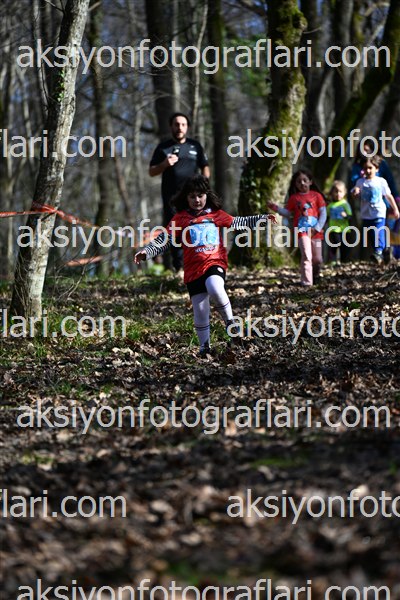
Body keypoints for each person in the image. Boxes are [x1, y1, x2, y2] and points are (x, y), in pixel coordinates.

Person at [134, 175, 277, 356]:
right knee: (200, 310)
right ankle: (205, 348)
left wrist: (261, 219)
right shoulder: (180, 219)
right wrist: (147, 252)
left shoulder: (215, 214)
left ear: (206, 195)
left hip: (214, 262)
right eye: (192, 196)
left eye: (200, 195)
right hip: (193, 270)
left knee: (214, 287)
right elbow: (165, 239)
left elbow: (237, 222)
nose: (197, 200)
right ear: (186, 198)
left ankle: (231, 324)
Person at [149, 112, 210, 271]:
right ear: (171, 127)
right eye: (176, 124)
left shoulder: (195, 146)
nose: (179, 127)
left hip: (193, 196)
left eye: (183, 124)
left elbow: (205, 166)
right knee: (176, 230)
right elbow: (152, 171)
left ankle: (200, 262)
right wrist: (164, 164)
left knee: (196, 227)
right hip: (171, 197)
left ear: (187, 127)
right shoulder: (163, 147)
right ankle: (180, 267)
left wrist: (204, 184)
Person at [268, 169, 327, 286]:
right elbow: (288, 213)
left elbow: (323, 213)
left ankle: (315, 275)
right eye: (299, 181)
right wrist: (275, 208)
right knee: (306, 256)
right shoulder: (294, 198)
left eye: (305, 180)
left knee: (317, 259)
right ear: (295, 184)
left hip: (316, 232)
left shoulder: (317, 196)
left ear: (310, 182)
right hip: (302, 232)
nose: (302, 183)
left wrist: (318, 227)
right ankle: (306, 282)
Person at [352, 156, 400, 264]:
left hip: (379, 213)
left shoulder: (381, 181)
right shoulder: (360, 182)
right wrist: (355, 192)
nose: (368, 171)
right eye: (365, 168)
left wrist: (395, 209)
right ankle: (386, 251)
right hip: (366, 215)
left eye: (370, 168)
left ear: (377, 168)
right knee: (372, 236)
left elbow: (388, 196)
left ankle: (378, 253)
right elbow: (355, 194)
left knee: (378, 232)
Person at [326, 180, 352, 265]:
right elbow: (327, 217)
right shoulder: (330, 206)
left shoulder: (345, 204)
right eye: (336, 191)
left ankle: (344, 262)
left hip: (344, 229)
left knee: (344, 246)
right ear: (332, 193)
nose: (338, 194)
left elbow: (350, 216)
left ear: (344, 193)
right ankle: (333, 261)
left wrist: (346, 216)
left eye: (340, 192)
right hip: (333, 229)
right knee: (335, 243)